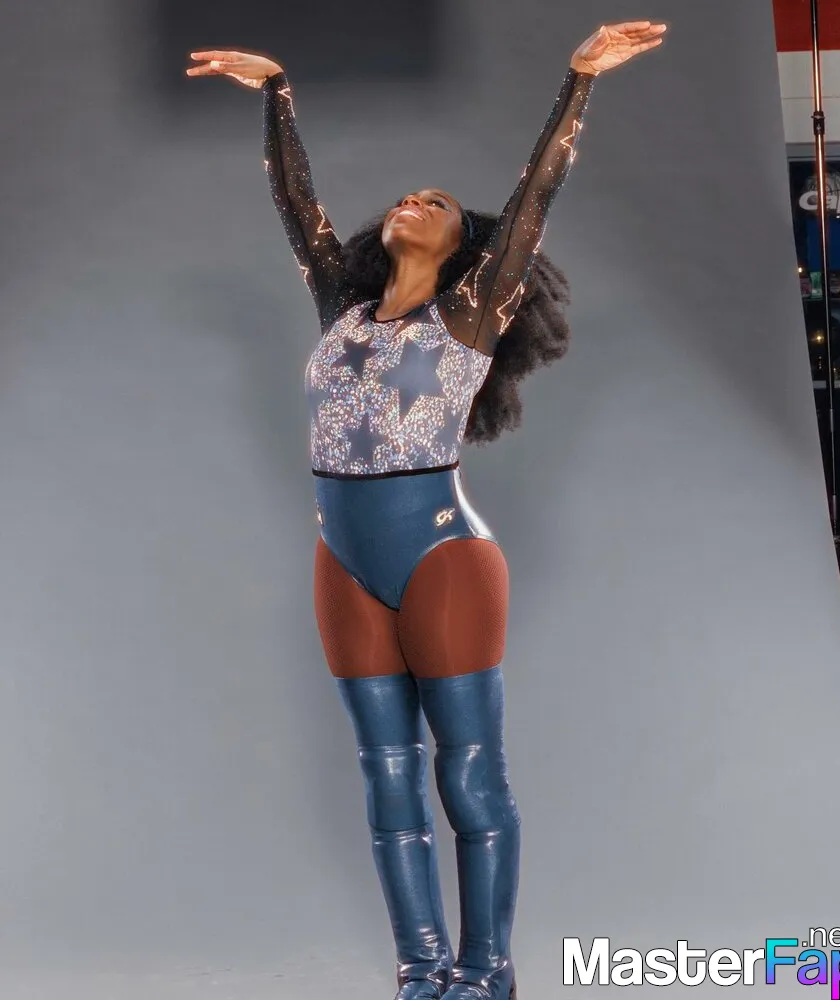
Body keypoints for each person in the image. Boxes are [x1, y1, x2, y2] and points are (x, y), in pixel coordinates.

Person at [187, 21, 665, 1000]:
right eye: (408, 196)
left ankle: (487, 972)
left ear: (464, 247)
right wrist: (277, 90)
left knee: (469, 776)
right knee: (387, 775)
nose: (414, 200)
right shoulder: (342, 305)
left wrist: (579, 80)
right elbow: (296, 205)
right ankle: (422, 971)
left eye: (438, 203)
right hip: (343, 556)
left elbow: (536, 197)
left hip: (442, 553)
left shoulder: (472, 311)